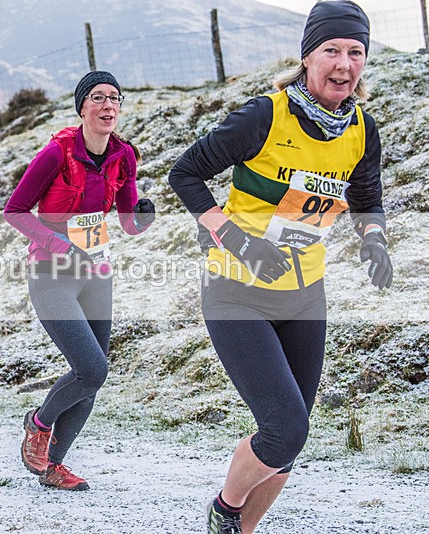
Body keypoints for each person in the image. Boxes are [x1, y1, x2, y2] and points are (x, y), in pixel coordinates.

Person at [168, 1, 392, 532]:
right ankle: (224, 509)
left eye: (355, 52)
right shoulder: (265, 115)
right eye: (331, 50)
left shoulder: (361, 127)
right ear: (307, 56)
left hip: (304, 294)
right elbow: (186, 174)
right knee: (285, 428)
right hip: (237, 289)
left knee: (292, 437)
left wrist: (374, 238)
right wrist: (236, 239)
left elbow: (365, 194)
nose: (343, 64)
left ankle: (240, 530)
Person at [4, 71, 155, 490]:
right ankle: (38, 422)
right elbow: (14, 210)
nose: (109, 105)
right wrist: (56, 244)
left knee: (93, 377)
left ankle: (53, 466)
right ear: (82, 108)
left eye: (115, 98)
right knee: (90, 368)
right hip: (52, 275)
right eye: (98, 97)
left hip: (97, 274)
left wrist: (143, 215)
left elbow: (126, 223)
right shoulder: (56, 153)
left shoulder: (124, 156)